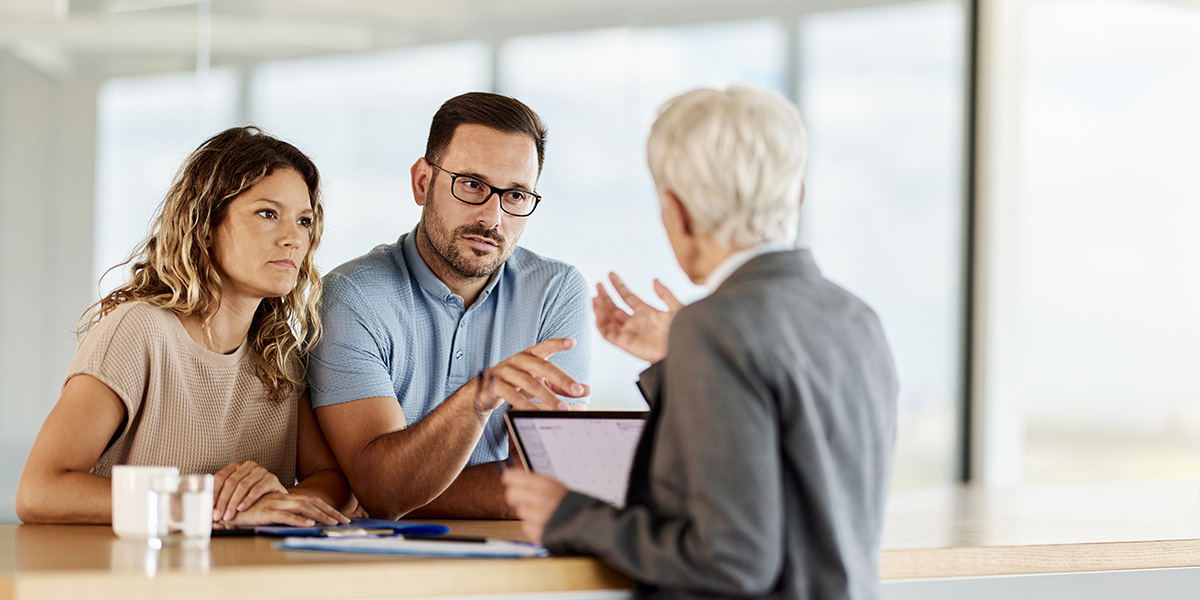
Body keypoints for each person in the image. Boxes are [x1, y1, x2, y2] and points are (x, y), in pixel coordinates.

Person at [502, 86, 899, 600]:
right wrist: (679, 362)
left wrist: (571, 516)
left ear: (677, 211)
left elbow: (730, 561)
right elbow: (793, 479)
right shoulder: (856, 318)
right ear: (795, 193)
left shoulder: (713, 327)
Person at [16, 126, 353, 528]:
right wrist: (208, 505)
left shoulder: (279, 354)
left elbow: (334, 483)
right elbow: (40, 491)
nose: (293, 239)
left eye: (303, 221)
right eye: (268, 213)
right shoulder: (138, 332)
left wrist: (280, 502)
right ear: (205, 224)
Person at [307, 92, 591, 520]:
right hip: (382, 568)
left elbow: (547, 481)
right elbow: (384, 490)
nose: (492, 219)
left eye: (515, 196)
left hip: (512, 567)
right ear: (423, 182)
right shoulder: (351, 296)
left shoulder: (555, 291)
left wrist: (401, 487)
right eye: (472, 185)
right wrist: (478, 398)